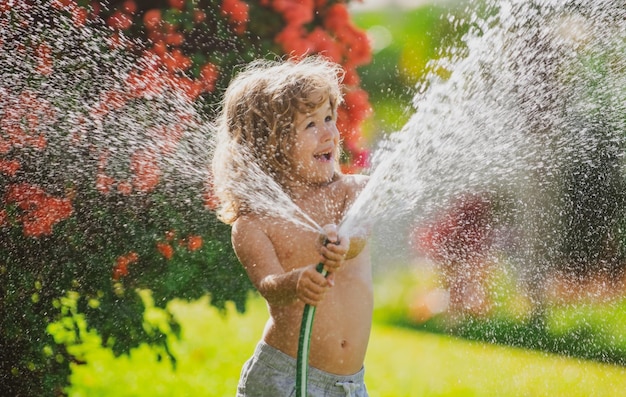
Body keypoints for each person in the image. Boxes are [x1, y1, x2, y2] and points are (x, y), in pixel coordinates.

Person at [211, 56, 371, 396]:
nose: (328, 132)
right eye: (310, 124)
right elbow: (268, 283)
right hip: (284, 379)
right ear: (270, 145)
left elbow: (361, 233)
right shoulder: (254, 223)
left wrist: (346, 243)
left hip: (349, 386)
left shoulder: (350, 192)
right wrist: (294, 282)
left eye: (329, 117)